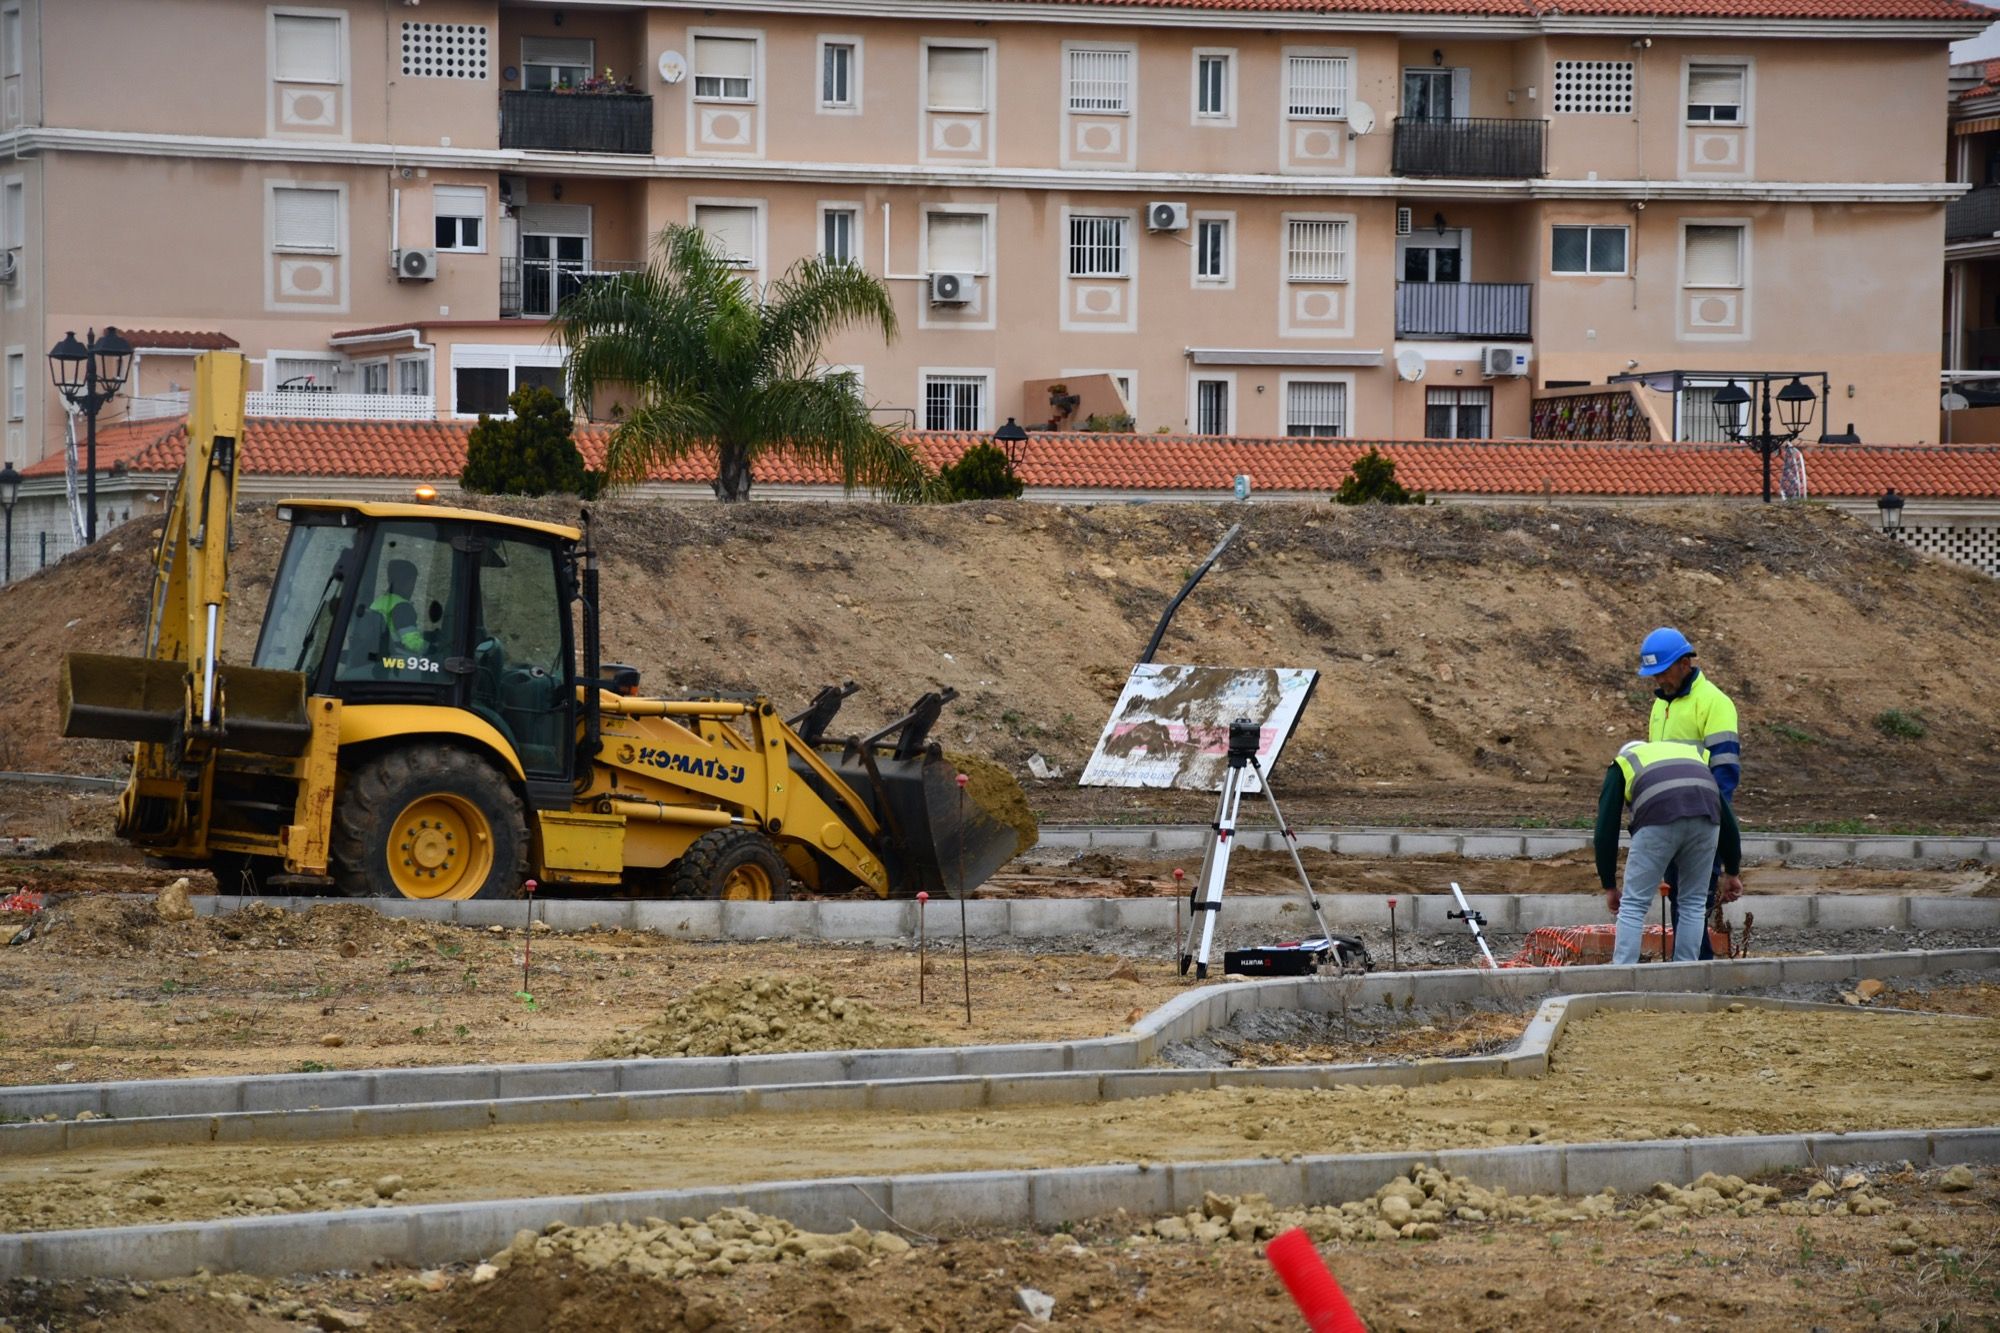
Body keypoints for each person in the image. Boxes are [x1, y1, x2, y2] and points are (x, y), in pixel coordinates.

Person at [1637, 627, 1741, 960]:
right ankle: (1696, 969)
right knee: (1683, 901)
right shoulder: (1659, 707)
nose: (1658, 680)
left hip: (1700, 819)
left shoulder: (1714, 703)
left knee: (1690, 901)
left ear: (1685, 663)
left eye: (1663, 671)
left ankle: (1695, 972)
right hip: (1667, 819)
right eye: (1653, 673)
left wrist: (1714, 828)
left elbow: (1725, 774)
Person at [1593, 739, 1745, 964]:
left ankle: (1622, 977)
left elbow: (1606, 830)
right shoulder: (1691, 755)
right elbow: (1728, 819)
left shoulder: (1624, 763)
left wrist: (1609, 886)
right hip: (1706, 815)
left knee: (1633, 904)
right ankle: (1685, 979)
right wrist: (1732, 870)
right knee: (1693, 902)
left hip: (1658, 815)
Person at [368, 558, 428, 655]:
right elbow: (412, 643)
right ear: (406, 582)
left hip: (377, 655)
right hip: (395, 659)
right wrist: (432, 649)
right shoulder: (402, 607)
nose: (413, 587)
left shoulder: (379, 602)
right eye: (412, 582)